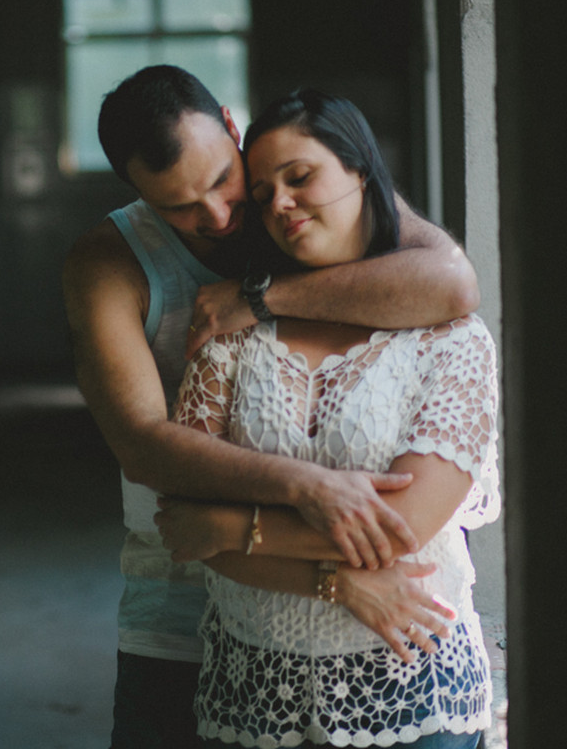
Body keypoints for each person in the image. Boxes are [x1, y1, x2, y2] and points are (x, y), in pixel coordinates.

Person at [61, 65, 480, 749]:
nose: (220, 217)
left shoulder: (295, 191)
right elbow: (141, 443)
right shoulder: (107, 261)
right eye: (180, 207)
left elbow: (450, 283)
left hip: (368, 605)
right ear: (136, 194)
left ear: (233, 127)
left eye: (225, 181)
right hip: (185, 581)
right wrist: (313, 490)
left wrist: (259, 298)